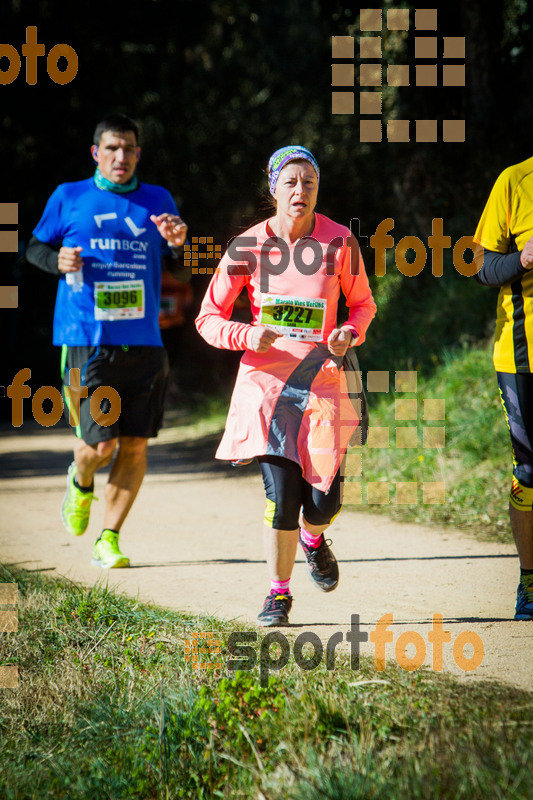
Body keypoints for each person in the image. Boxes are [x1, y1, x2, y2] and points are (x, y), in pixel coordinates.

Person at [196, 145, 376, 626]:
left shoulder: (340, 243)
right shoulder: (248, 247)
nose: (300, 191)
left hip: (322, 384)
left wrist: (348, 333)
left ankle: (313, 540)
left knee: (323, 502)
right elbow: (207, 319)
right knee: (282, 499)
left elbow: (363, 306)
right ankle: (278, 593)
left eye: (309, 182)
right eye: (291, 182)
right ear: (273, 187)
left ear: (318, 188)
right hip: (266, 388)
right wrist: (248, 332)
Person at [26, 114, 188, 568]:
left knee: (134, 443)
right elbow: (34, 248)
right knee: (100, 446)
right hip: (85, 338)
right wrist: (56, 257)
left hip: (145, 341)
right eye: (112, 148)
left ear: (139, 154)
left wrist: (179, 244)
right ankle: (80, 481)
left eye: (130, 149)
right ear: (96, 152)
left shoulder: (158, 201)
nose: (122, 157)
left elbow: (184, 269)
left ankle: (109, 538)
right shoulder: (69, 196)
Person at [474, 155, 533, 620]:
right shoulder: (515, 180)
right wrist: (523, 258)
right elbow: (480, 264)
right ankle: (530, 583)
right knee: (531, 468)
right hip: (523, 357)